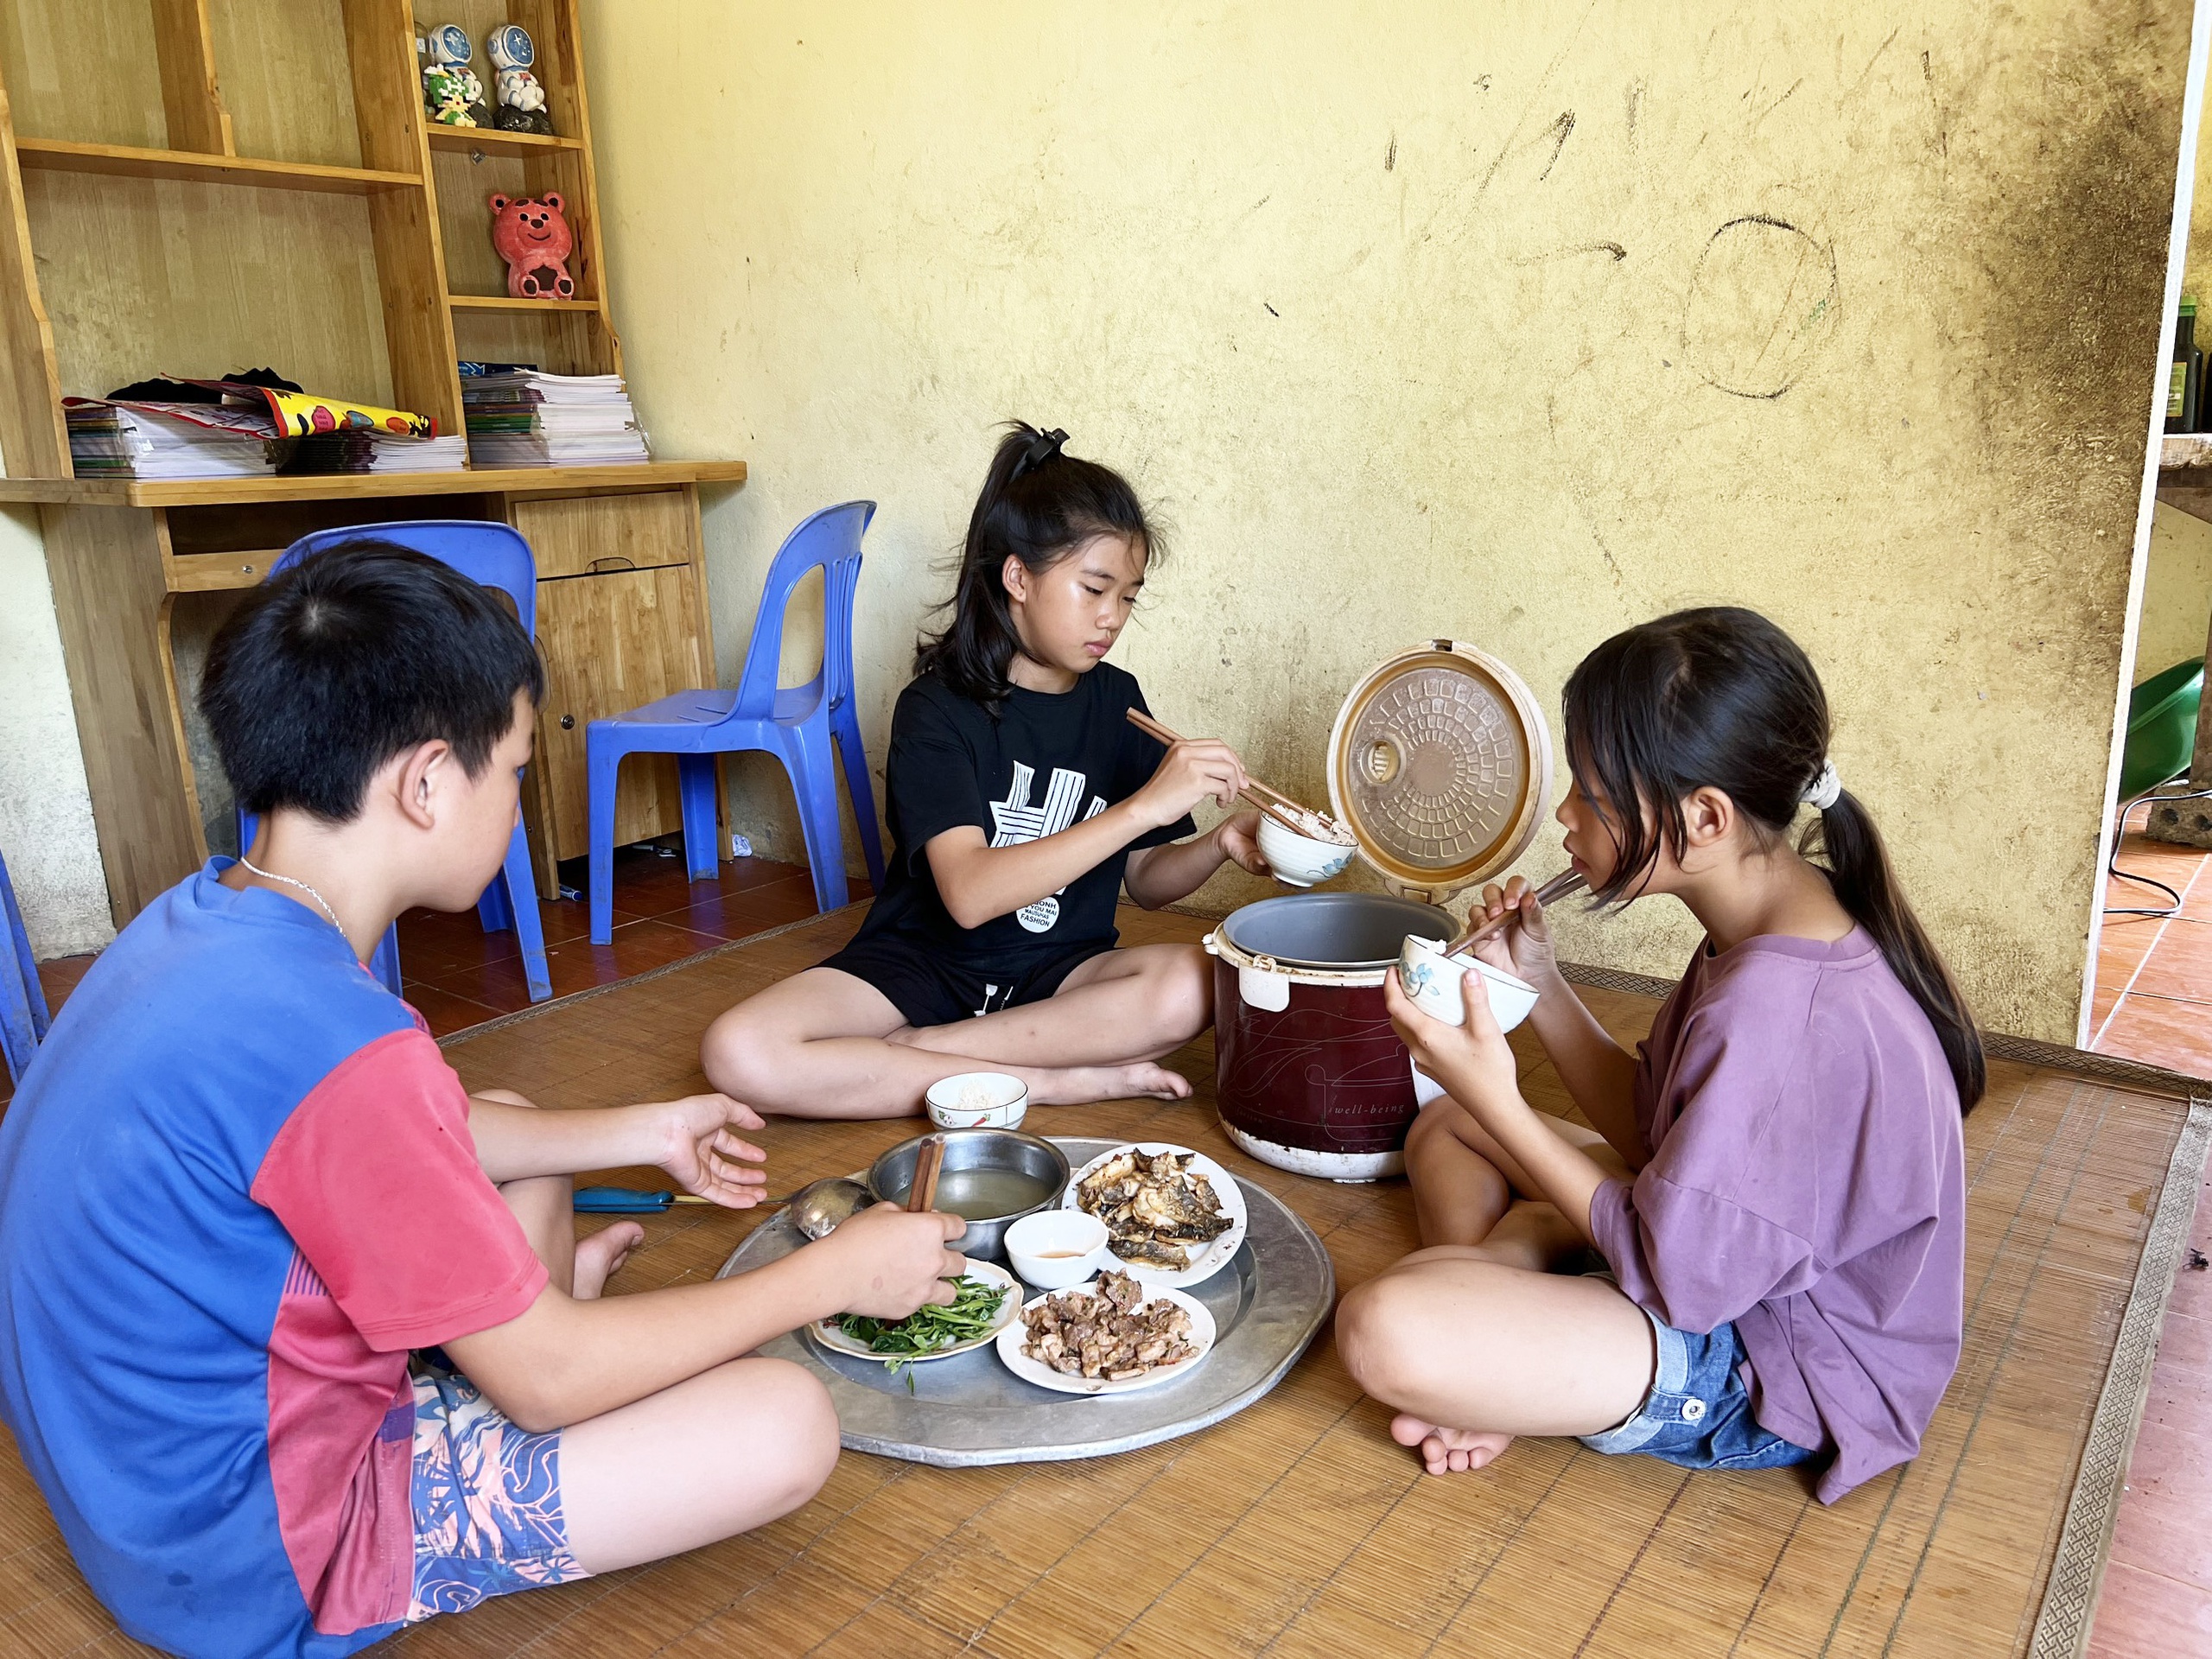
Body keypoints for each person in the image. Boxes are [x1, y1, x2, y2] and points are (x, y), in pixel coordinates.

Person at [0, 543, 965, 1657]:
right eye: (511, 770)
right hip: (257, 1560)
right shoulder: (341, 1045)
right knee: (784, 1424)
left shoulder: (200, 921)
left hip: (133, 1489)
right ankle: (494, 1358)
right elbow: (549, 1387)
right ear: (424, 782)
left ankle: (498, 1331)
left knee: (508, 1124)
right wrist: (827, 1277)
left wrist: (645, 1130)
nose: (518, 798)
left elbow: (403, 1130)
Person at [1335, 607, 1981, 1504]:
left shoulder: (1779, 1015)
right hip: (1711, 1251)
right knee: (1446, 1127)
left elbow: (1677, 1276)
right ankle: (1502, 1336)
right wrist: (1542, 986)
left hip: (1777, 1360)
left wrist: (1502, 1099)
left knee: (1383, 1328)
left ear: (1704, 818)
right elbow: (1656, 1127)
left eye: (1593, 794)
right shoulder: (1774, 917)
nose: (1565, 813)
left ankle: (1492, 1341)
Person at [703, 423, 1269, 1119]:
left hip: (1058, 972)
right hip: (924, 965)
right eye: (1094, 588)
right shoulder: (936, 709)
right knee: (738, 1050)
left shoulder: (1118, 702)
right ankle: (1044, 1080)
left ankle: (932, 1054)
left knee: (1196, 980)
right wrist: (1142, 807)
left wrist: (1216, 844)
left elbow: (1147, 884)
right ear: (1018, 578)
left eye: (1128, 597)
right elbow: (969, 894)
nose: (1112, 617)